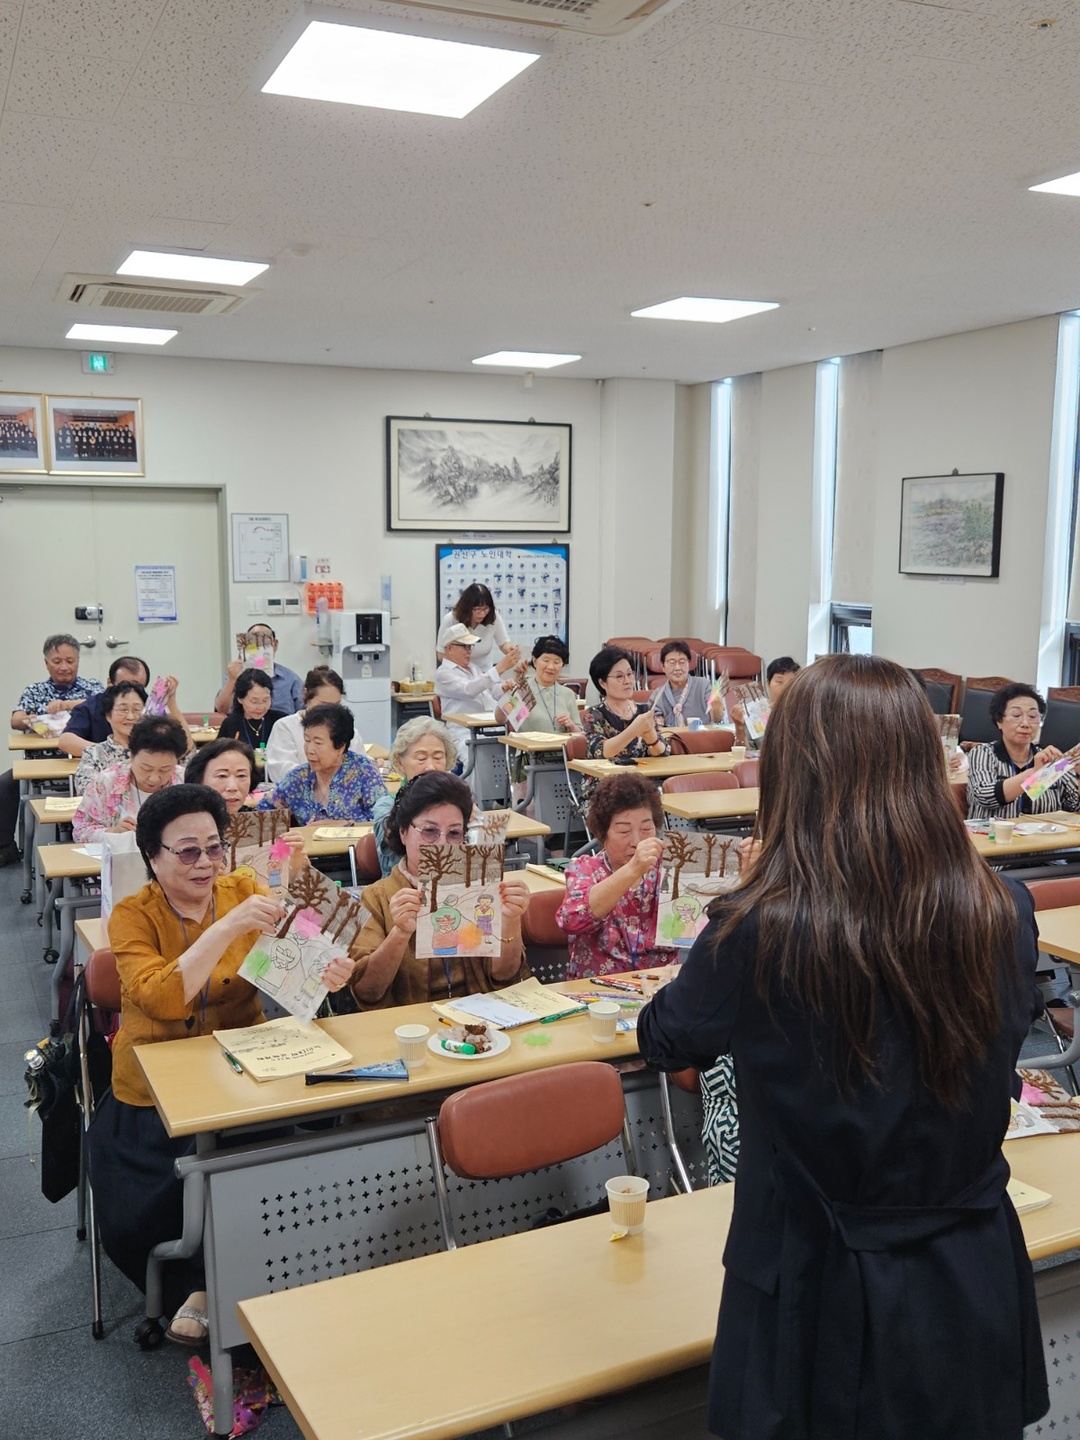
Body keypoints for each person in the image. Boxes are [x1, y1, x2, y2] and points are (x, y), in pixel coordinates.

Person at [637, 655, 1048, 1440]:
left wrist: (735, 901)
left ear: (796, 771)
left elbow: (664, 1035)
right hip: (968, 1265)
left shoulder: (758, 927)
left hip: (812, 1279)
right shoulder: (1002, 908)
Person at [85, 784, 354, 1346]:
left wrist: (329, 970)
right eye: (187, 852)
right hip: (153, 1093)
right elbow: (160, 998)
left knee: (275, 1168)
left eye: (214, 847)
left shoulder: (246, 887)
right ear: (152, 857)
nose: (205, 863)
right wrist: (226, 928)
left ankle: (252, 1280)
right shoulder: (131, 917)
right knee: (150, 1210)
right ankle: (202, 1284)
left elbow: (300, 958)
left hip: (243, 1072)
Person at [349, 771, 530, 1008]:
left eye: (454, 833)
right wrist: (400, 933)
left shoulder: (480, 887)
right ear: (403, 832)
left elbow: (505, 976)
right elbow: (367, 992)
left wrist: (511, 919)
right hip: (410, 1025)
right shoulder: (375, 898)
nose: (442, 843)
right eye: (429, 831)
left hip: (480, 1018)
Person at [556, 772, 677, 978]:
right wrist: (632, 870)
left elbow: (709, 920)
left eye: (647, 829)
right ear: (603, 834)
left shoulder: (672, 867)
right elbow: (572, 920)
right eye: (623, 831)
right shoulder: (585, 869)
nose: (637, 841)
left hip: (659, 990)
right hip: (597, 994)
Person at [0, 634, 107, 865]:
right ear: (46, 663)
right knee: (6, 783)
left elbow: (104, 702)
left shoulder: (93, 688)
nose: (64, 667)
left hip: (83, 760)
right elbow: (16, 720)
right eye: (57, 661)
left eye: (70, 661)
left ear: (78, 661)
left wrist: (67, 705)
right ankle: (6, 846)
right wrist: (44, 717)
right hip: (42, 762)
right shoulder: (35, 690)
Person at [968, 682, 1080, 819]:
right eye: (1016, 715)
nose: (1025, 724)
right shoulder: (983, 753)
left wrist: (1077, 773)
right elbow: (985, 797)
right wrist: (1035, 773)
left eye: (1033, 717)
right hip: (991, 838)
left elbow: (1073, 807)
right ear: (999, 721)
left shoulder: (1050, 758)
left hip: (1042, 839)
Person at [260, 702, 385, 824]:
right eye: (307, 741)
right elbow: (263, 812)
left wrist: (346, 824)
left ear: (340, 746)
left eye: (318, 743)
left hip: (353, 845)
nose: (309, 750)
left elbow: (384, 820)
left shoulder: (364, 771)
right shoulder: (299, 777)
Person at [73, 717, 187, 842]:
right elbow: (80, 831)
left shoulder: (186, 782)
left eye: (165, 770)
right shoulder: (106, 782)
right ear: (131, 756)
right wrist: (113, 832)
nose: (154, 779)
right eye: (146, 768)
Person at [372, 716, 455, 876]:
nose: (431, 766)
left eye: (438, 757)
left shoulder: (458, 801)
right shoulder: (385, 806)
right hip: (401, 892)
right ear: (400, 762)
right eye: (421, 758)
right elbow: (393, 836)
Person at [500, 635, 582, 788]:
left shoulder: (567, 694)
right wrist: (509, 694)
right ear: (535, 661)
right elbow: (502, 719)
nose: (551, 666)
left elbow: (580, 735)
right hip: (531, 762)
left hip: (564, 761)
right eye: (546, 660)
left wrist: (570, 725)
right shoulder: (525, 690)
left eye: (557, 662)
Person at [434, 623, 521, 764]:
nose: (469, 651)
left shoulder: (474, 668)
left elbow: (494, 691)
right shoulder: (443, 673)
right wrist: (499, 668)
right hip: (464, 732)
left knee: (517, 755)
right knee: (476, 761)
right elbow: (469, 690)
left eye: (470, 647)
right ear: (450, 648)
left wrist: (505, 687)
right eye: (465, 646)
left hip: (492, 727)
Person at [581, 646, 669, 782]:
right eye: (619, 676)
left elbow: (662, 752)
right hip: (606, 787)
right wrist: (635, 729)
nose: (627, 681)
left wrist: (651, 737)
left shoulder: (644, 710)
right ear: (602, 682)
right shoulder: (593, 715)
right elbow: (602, 752)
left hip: (642, 783)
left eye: (630, 674)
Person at [263, 666, 366, 783]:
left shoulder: (346, 730)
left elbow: (361, 766)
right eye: (324, 704)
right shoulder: (285, 727)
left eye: (336, 705)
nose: (330, 712)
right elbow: (282, 771)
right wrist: (322, 779)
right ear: (306, 695)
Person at [58, 655, 150, 758]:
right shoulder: (90, 707)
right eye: (124, 686)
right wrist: (109, 752)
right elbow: (65, 740)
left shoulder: (148, 707)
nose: (130, 693)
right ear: (110, 683)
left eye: (138, 687)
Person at [73, 681, 148, 794]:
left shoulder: (154, 751)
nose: (131, 716)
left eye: (137, 710)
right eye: (123, 710)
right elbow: (86, 791)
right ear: (108, 715)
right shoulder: (93, 753)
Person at [214, 624, 302, 716]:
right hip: (243, 727)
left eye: (265, 643)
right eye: (253, 642)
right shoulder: (233, 674)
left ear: (275, 644)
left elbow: (304, 712)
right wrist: (232, 680)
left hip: (280, 727)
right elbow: (221, 710)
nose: (259, 647)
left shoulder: (290, 678)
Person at [216, 669, 286, 777]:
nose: (261, 707)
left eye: (265, 700)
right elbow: (218, 758)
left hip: (276, 778)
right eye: (254, 702)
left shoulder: (281, 721)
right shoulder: (231, 723)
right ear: (240, 698)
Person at [436, 584, 514, 670]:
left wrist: (511, 651)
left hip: (484, 672)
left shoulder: (493, 617)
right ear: (467, 608)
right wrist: (465, 669)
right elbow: (441, 654)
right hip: (459, 673)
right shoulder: (450, 619)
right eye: (477, 609)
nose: (482, 613)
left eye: (485, 609)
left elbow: (503, 643)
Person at [731, 655, 801, 748]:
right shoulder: (754, 712)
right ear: (768, 683)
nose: (786, 688)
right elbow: (744, 755)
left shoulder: (803, 714)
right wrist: (739, 727)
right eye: (779, 682)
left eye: (792, 683)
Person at [650, 641, 725, 727]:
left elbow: (717, 720)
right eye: (672, 663)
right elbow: (654, 726)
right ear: (663, 667)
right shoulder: (658, 695)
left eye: (682, 662)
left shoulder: (704, 685)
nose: (677, 668)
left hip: (702, 738)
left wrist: (717, 707)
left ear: (688, 664)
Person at [185, 738, 257, 815]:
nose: (232, 787)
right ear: (199, 779)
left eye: (241, 776)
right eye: (222, 776)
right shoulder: (182, 823)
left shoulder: (260, 821)